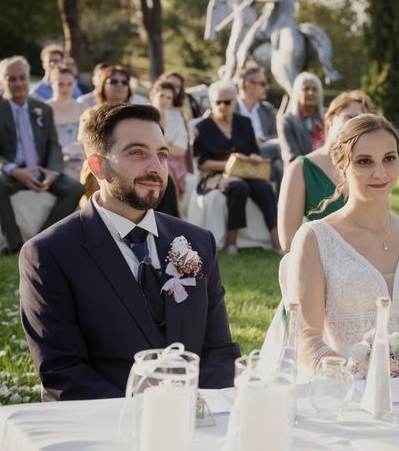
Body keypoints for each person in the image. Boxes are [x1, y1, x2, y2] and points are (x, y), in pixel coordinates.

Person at [19, 103, 241, 400]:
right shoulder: (49, 254)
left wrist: (196, 412)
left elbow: (219, 352)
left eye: (162, 154)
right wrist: (149, 415)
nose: (155, 167)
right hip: (107, 428)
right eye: (137, 153)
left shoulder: (198, 242)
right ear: (98, 166)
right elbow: (64, 373)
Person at [288, 114, 399, 369]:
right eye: (364, 161)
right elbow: (306, 338)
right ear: (342, 166)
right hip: (347, 390)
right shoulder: (315, 238)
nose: (380, 172)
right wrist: (353, 376)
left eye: (389, 159)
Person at [0, 56, 84, 253]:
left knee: (75, 188)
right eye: (11, 79)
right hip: (13, 173)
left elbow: (53, 144)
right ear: (0, 82)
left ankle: (41, 240)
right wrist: (14, 170)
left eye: (22, 77)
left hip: (42, 170)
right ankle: (15, 245)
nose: (19, 83)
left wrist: (53, 172)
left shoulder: (42, 108)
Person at [193, 80, 282, 256]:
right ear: (212, 102)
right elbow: (201, 163)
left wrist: (255, 158)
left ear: (234, 102)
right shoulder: (201, 127)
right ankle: (231, 243)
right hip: (213, 174)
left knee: (264, 188)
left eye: (227, 101)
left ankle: (277, 241)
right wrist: (229, 163)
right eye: (218, 102)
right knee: (238, 186)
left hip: (245, 171)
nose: (222, 106)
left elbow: (254, 152)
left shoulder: (245, 123)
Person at [277, 90, 374, 251]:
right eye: (350, 118)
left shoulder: (370, 169)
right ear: (330, 119)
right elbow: (287, 241)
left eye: (363, 123)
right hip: (318, 263)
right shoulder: (300, 169)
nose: (357, 127)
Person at [79, 65, 180, 217]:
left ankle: (168, 230)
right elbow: (86, 148)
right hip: (100, 171)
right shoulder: (91, 114)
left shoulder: (139, 118)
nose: (119, 85)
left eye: (124, 82)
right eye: (113, 81)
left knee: (167, 183)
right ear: (102, 85)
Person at [236, 66, 283, 195]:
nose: (266, 87)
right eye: (263, 84)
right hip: (243, 154)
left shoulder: (267, 110)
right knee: (280, 147)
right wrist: (251, 142)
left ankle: (281, 208)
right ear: (249, 85)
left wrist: (263, 140)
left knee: (279, 166)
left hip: (265, 156)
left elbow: (276, 134)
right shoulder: (230, 107)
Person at [150, 80, 189, 201]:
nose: (164, 100)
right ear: (153, 95)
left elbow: (181, 151)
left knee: (167, 173)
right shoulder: (141, 115)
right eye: (162, 95)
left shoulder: (176, 118)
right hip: (146, 157)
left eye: (169, 98)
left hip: (171, 161)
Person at [46, 66, 88, 180]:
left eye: (69, 84)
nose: (66, 88)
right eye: (60, 84)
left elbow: (88, 138)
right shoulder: (45, 109)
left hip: (81, 160)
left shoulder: (82, 107)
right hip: (55, 162)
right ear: (51, 84)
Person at [277, 72, 324, 165]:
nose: (311, 92)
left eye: (315, 89)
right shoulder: (287, 121)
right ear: (297, 93)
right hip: (301, 171)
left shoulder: (328, 117)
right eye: (306, 89)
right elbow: (292, 157)